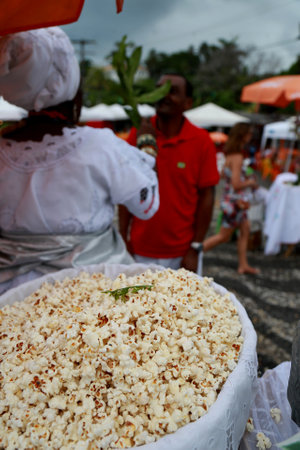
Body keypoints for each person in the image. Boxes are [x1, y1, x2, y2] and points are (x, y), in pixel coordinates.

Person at [0, 27, 159, 295]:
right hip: (89, 296)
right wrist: (147, 146)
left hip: (10, 297)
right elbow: (147, 206)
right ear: (71, 86)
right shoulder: (100, 146)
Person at [119, 73, 220, 273]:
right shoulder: (138, 134)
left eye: (172, 92)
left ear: (188, 103)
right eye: (159, 89)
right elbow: (126, 189)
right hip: (139, 250)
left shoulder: (201, 141)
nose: (162, 96)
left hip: (182, 253)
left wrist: (196, 247)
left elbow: (207, 196)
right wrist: (123, 237)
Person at [202, 122, 260, 275]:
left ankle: (243, 264)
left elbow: (222, 176)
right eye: (249, 133)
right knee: (223, 236)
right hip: (236, 203)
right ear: (243, 135)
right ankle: (195, 252)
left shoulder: (230, 155)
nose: (250, 136)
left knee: (245, 230)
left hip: (232, 202)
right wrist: (250, 182)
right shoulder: (239, 157)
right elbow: (236, 184)